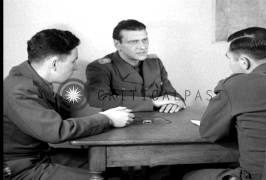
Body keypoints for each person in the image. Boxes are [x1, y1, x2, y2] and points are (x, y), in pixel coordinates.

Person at [183, 27, 266, 180]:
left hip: (254, 177)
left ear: (244, 62)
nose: (230, 65)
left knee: (189, 175)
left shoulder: (234, 85)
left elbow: (209, 132)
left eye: (229, 59)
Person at [3, 29, 135, 180]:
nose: (76, 67)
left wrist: (111, 108)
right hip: (21, 169)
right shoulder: (18, 89)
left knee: (112, 167)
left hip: (41, 157)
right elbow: (57, 131)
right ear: (54, 63)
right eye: (73, 61)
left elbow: (66, 110)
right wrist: (107, 119)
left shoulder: (31, 80)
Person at [85, 19, 185, 113]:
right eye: (134, 42)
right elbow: (98, 99)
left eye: (145, 40)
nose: (142, 47)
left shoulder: (155, 63)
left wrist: (178, 102)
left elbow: (171, 93)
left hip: (159, 122)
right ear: (117, 44)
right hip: (122, 126)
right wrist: (152, 102)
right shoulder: (100, 67)